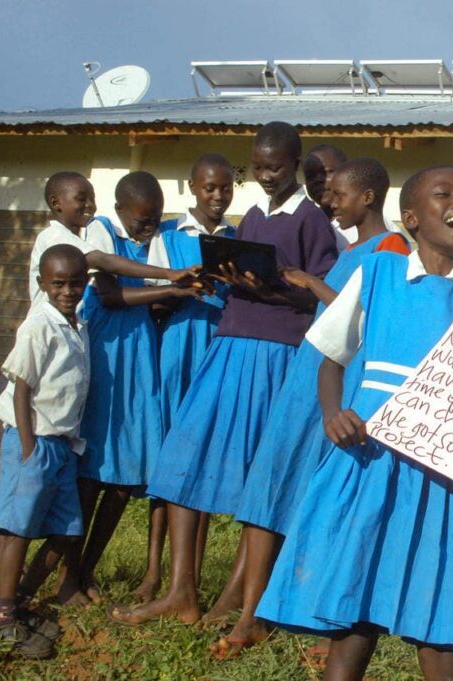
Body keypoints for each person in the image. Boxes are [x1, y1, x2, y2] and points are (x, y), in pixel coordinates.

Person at [255, 164, 453, 681]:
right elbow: (331, 360)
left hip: (444, 482)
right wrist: (332, 413)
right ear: (411, 218)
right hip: (371, 466)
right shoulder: (379, 274)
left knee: (439, 624)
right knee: (354, 617)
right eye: (445, 194)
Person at [108, 121, 338, 626]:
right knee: (182, 455)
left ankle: (238, 598)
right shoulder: (251, 216)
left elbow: (321, 297)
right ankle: (181, 593)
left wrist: (272, 287)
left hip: (274, 352)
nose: (266, 176)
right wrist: (229, 277)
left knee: (258, 476)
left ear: (294, 164)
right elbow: (246, 281)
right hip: (229, 342)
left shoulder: (311, 221)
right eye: (257, 168)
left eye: (275, 168)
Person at [208, 157, 411, 658]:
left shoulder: (391, 249)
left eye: (339, 195)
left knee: (326, 501)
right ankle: (254, 615)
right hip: (306, 379)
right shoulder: (351, 248)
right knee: (268, 488)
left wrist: (311, 284)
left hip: (343, 387)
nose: (330, 203)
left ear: (367, 197)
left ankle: (323, 624)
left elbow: (373, 317)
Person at [60, 171, 203, 606]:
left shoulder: (157, 240)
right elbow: (109, 294)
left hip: (140, 355)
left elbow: (151, 297)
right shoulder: (101, 230)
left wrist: (179, 291)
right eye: (142, 220)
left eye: (155, 219)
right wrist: (171, 284)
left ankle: (87, 569)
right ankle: (68, 574)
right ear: (121, 209)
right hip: (107, 354)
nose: (148, 227)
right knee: (92, 472)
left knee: (129, 470)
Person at [132, 153, 236, 604]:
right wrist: (182, 289)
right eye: (209, 187)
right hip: (179, 343)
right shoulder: (169, 235)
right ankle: (154, 571)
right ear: (192, 187)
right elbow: (153, 298)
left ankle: (188, 577)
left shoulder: (235, 239)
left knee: (204, 459)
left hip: (218, 346)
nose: (217, 196)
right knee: (170, 459)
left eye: (225, 188)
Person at [0, 244, 90, 658]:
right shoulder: (38, 325)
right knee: (19, 527)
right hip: (33, 439)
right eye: (58, 284)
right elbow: (22, 388)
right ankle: (3, 616)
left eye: (76, 283)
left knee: (66, 530)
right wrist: (29, 448)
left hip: (62, 444)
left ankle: (22, 600)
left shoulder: (78, 324)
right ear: (42, 284)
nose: (68, 291)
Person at [28, 171, 200, 309]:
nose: (90, 205)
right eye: (81, 199)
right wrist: (169, 274)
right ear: (56, 203)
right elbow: (104, 262)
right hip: (50, 325)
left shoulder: (78, 238)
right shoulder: (54, 236)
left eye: (92, 199)